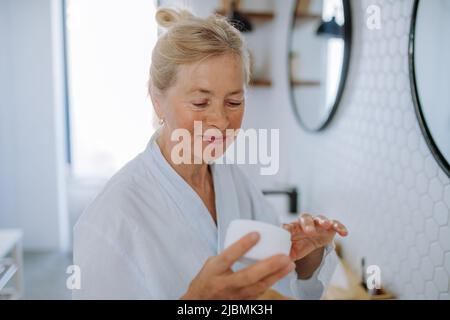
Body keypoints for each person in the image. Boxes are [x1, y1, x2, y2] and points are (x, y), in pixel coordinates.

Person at [73, 7, 348, 300]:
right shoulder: (109, 221)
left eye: (233, 102)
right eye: (201, 103)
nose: (220, 120)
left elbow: (278, 283)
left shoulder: (232, 181)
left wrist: (305, 256)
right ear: (157, 99)